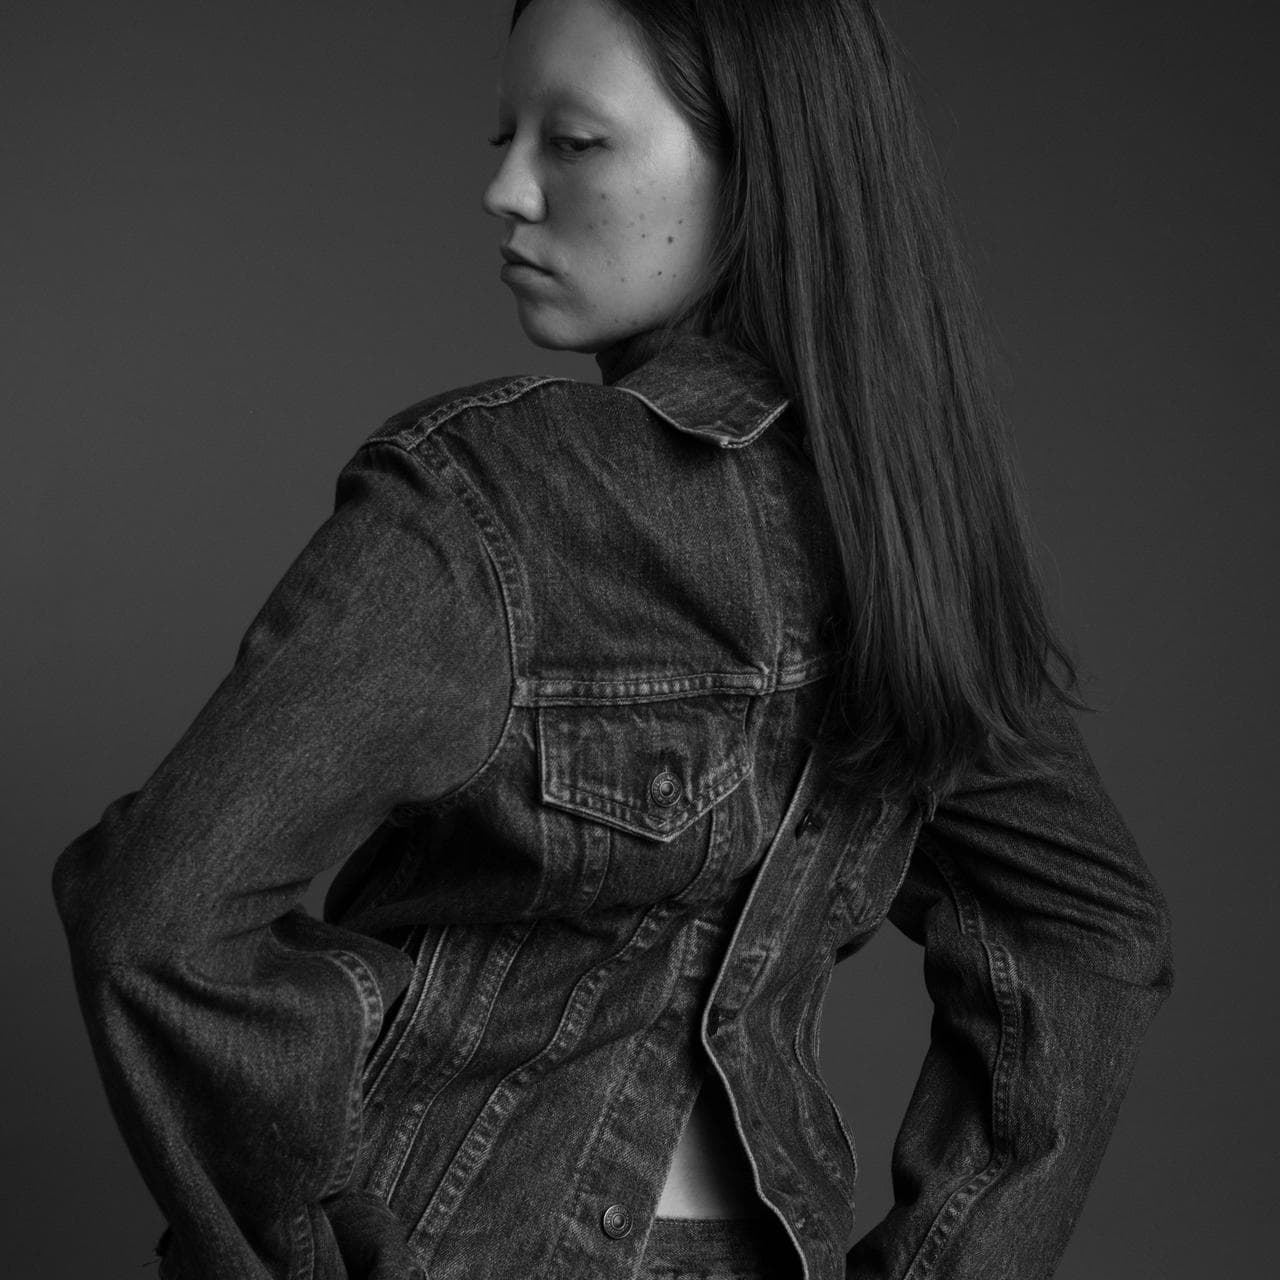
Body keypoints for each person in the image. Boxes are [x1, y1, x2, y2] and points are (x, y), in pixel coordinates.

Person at [51, 1, 1175, 1278]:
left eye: (573, 142)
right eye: (504, 134)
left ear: (759, 167)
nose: (503, 188)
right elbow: (1091, 930)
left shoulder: (491, 499)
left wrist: (311, 1239)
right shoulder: (907, 533)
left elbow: (155, 913)